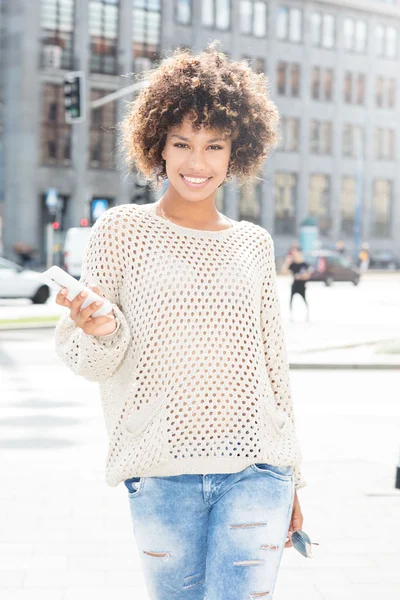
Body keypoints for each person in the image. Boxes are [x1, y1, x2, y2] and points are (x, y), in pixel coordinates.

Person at [54, 43, 307, 599]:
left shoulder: (253, 244)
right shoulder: (120, 232)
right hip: (161, 472)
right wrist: (99, 330)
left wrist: (294, 478)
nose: (198, 163)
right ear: (158, 147)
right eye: (182, 144)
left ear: (237, 151)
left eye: (214, 145)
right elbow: (88, 358)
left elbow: (274, 367)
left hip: (258, 472)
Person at [281, 248, 311, 322]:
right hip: (294, 285)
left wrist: (303, 276)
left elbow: (308, 275)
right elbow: (283, 272)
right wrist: (287, 262)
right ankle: (291, 315)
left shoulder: (304, 264)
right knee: (291, 300)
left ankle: (307, 314)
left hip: (302, 285)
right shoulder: (293, 264)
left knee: (304, 300)